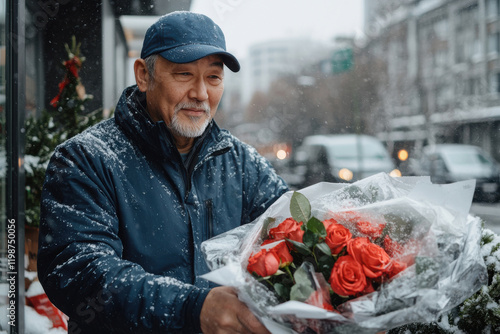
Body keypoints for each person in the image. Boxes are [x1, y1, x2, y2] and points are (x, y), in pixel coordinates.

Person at [37, 11, 288, 334]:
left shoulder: (241, 162)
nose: (200, 93)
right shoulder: (85, 159)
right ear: (144, 75)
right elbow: (80, 273)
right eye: (184, 74)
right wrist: (191, 309)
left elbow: (293, 236)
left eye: (213, 77)